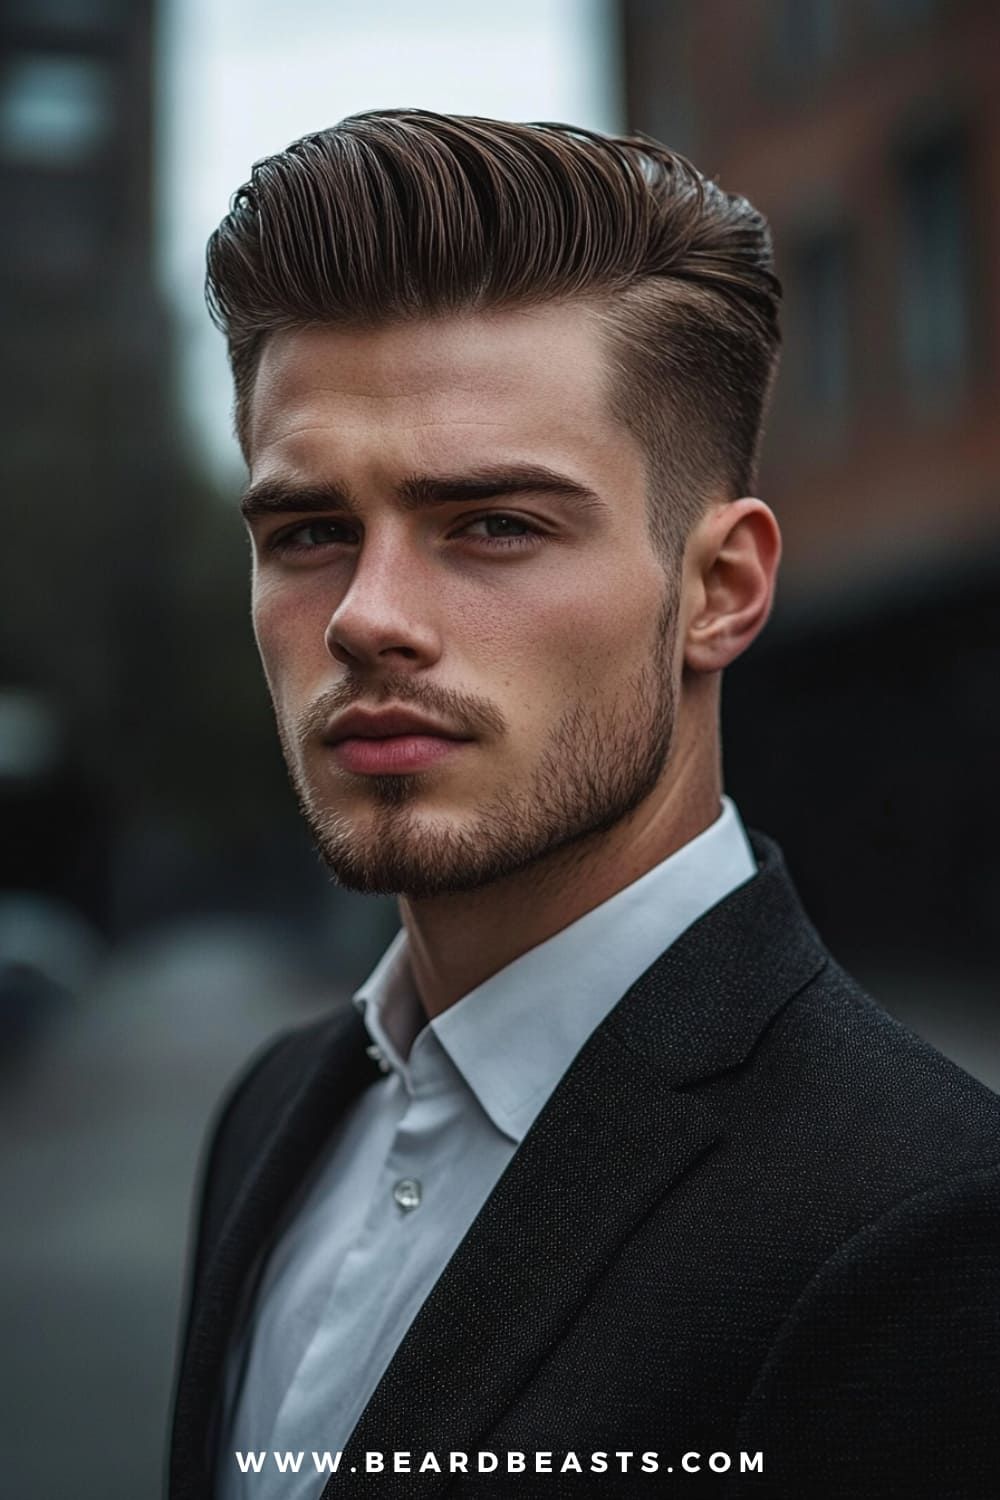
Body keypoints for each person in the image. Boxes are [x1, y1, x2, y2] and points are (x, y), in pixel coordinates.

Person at [167, 111, 1000, 1499]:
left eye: (493, 523)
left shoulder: (924, 1235)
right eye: (309, 532)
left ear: (721, 589)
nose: (368, 618)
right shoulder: (268, 1115)